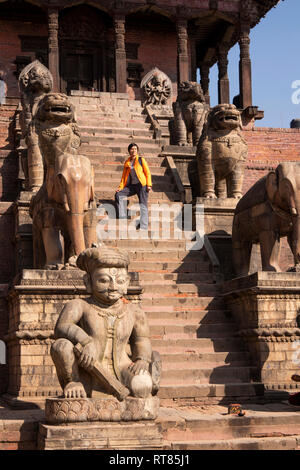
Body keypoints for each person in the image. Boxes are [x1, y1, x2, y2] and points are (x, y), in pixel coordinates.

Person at [50, 246, 160, 399]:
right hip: (87, 369)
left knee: (143, 386)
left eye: (120, 281)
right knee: (61, 346)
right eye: (103, 280)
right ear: (88, 281)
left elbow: (141, 340)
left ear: (127, 282)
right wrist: (86, 341)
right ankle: (72, 383)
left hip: (123, 368)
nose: (113, 287)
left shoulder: (134, 312)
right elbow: (62, 326)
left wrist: (142, 359)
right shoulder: (79, 305)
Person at [115, 143, 152, 231]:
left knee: (143, 204)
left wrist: (149, 185)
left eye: (135, 149)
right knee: (118, 194)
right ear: (129, 151)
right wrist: (120, 187)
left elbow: (147, 173)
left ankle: (144, 225)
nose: (133, 150)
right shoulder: (127, 162)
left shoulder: (141, 160)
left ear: (137, 150)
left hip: (142, 185)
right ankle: (122, 216)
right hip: (132, 186)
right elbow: (124, 176)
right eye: (132, 149)